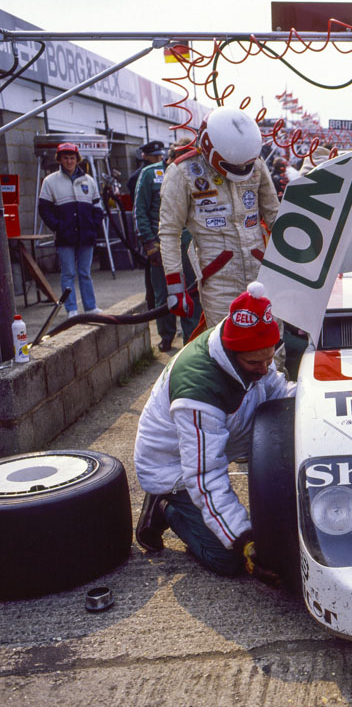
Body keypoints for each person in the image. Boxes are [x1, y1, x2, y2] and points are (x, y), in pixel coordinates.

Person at [134, 282, 295, 577]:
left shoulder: (248, 342)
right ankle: (164, 507)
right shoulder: (197, 394)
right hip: (174, 467)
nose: (264, 368)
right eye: (254, 362)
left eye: (269, 359)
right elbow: (206, 475)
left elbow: (277, 391)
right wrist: (244, 540)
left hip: (217, 439)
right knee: (228, 559)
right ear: (233, 353)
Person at [158, 106, 280, 328]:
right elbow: (169, 232)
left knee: (271, 339)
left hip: (261, 270)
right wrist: (175, 285)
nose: (242, 168)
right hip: (219, 277)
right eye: (236, 163)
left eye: (246, 164)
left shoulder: (257, 165)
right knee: (227, 344)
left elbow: (275, 218)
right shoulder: (182, 171)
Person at [134, 139, 200, 351]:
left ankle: (191, 339)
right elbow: (140, 211)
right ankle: (166, 335)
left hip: (188, 242)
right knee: (163, 293)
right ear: (171, 155)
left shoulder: (195, 173)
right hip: (160, 243)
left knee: (192, 291)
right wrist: (149, 244)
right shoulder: (150, 174)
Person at [37, 142, 104, 317]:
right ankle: (72, 310)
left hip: (86, 235)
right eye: (65, 158)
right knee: (68, 273)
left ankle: (90, 307)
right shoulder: (50, 181)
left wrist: (93, 225)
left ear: (77, 159)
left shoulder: (89, 181)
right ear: (59, 160)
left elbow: (98, 207)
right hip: (65, 236)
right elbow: (43, 208)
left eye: (72, 158)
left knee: (85, 272)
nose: (69, 161)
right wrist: (57, 226)